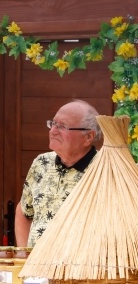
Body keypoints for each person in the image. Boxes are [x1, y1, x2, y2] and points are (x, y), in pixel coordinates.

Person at [15, 99, 102, 248]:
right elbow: (24, 210)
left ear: (88, 137)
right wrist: (24, 254)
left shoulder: (105, 169)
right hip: (36, 268)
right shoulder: (41, 163)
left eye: (62, 126)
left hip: (82, 269)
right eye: (53, 123)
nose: (53, 131)